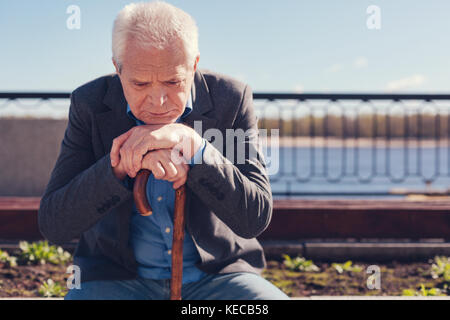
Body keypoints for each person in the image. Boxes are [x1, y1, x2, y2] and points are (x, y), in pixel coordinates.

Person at [38, 1, 288, 300]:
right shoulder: (89, 103)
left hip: (219, 277)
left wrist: (196, 148)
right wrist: (118, 167)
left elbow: (254, 217)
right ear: (118, 69)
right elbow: (54, 224)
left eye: (173, 81)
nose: (158, 102)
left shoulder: (231, 99)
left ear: (194, 65)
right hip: (114, 280)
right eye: (140, 83)